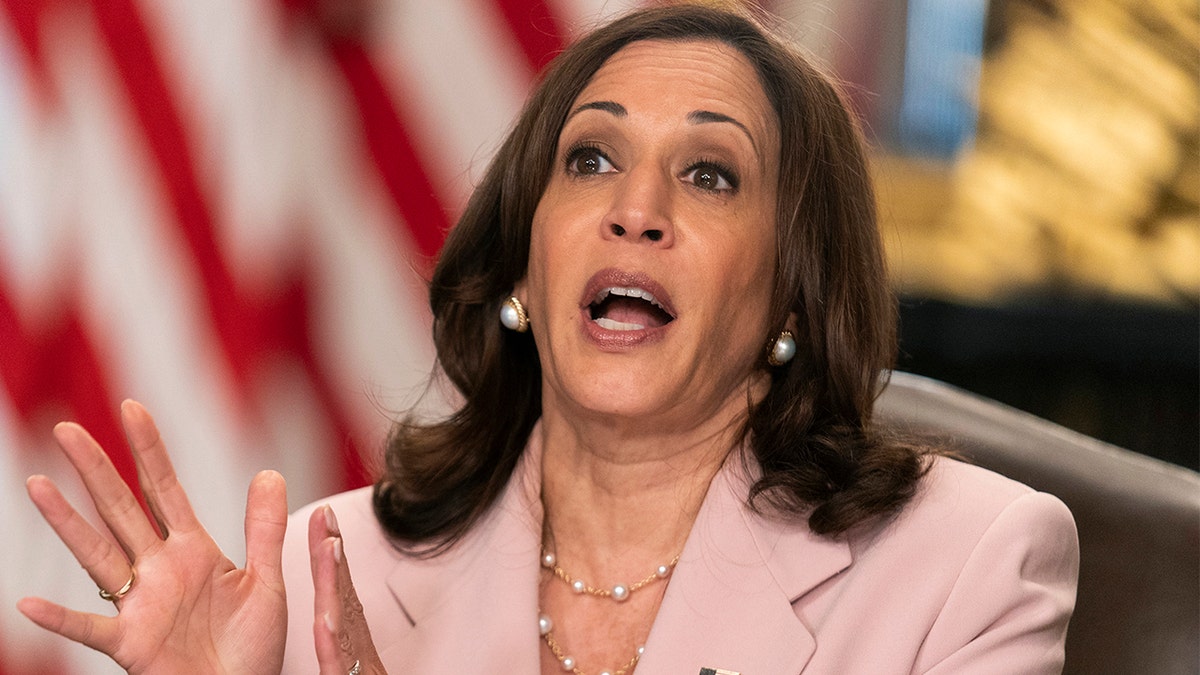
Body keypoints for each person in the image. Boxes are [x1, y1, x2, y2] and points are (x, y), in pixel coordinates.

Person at [18, 4, 1079, 674]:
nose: (636, 208)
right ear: (523, 268)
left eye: (710, 175)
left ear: (795, 298)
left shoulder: (965, 568)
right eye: (589, 161)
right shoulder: (321, 573)